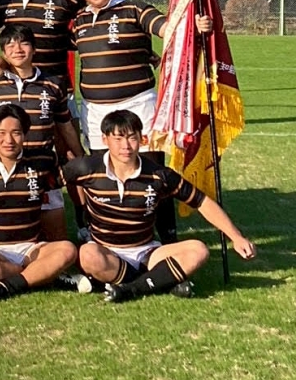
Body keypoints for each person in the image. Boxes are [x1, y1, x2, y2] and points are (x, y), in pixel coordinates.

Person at [72, 0, 211, 243]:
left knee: (152, 174)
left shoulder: (135, 9)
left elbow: (168, 29)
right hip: (95, 111)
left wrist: (194, 26)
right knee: (103, 175)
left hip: (138, 105)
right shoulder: (79, 21)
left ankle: (168, 240)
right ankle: (106, 237)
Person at [64, 110, 256, 302]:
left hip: (147, 252)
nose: (126, 146)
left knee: (199, 250)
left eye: (132, 138)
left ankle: (132, 288)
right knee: (87, 255)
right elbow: (53, 183)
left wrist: (236, 237)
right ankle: (161, 280)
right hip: (106, 251)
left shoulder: (159, 175)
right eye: (118, 138)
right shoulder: (85, 168)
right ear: (105, 140)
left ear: (142, 139)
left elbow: (201, 201)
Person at [0, 24, 84, 241]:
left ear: (34, 49)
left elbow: (65, 126)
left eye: (24, 43)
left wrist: (80, 155)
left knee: (56, 241)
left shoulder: (53, 84)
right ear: (3, 53)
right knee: (8, 231)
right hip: (6, 168)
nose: (17, 49)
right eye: (10, 45)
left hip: (42, 167)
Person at [0, 105, 79, 301]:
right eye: (1, 133)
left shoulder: (43, 160)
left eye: (16, 133)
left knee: (68, 250)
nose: (9, 140)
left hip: (32, 248)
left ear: (25, 134)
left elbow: (71, 172)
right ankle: (42, 275)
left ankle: (11, 284)